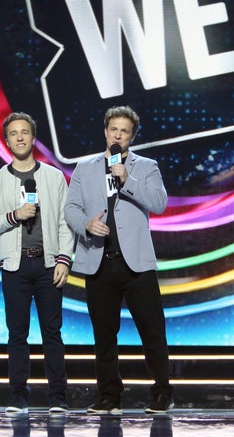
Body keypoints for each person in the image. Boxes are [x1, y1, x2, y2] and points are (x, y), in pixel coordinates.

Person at [64, 105, 174, 414]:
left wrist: (126, 179)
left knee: (152, 330)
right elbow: (70, 208)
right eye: (114, 129)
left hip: (136, 263)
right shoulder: (84, 168)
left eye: (124, 131)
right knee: (104, 334)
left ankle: (162, 392)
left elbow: (159, 203)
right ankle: (109, 397)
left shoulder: (146, 167)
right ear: (105, 132)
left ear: (132, 137)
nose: (118, 135)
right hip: (99, 260)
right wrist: (86, 224)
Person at [0, 112, 74, 415]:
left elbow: (65, 221)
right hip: (15, 266)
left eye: (24, 132)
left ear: (33, 138)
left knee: (52, 332)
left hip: (48, 265)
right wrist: (14, 216)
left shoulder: (53, 177)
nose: (19, 138)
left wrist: (64, 260)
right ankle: (18, 396)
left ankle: (57, 397)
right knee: (17, 333)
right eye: (13, 134)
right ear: (7, 141)